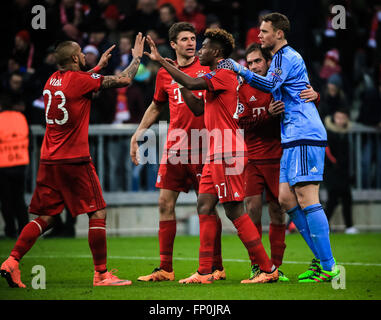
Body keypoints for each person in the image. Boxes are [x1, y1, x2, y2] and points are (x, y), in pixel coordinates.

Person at [0, 33, 145, 288]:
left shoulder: (51, 81)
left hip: (49, 159)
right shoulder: (80, 80)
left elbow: (79, 83)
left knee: (47, 217)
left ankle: (12, 261)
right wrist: (136, 58)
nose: (83, 55)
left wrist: (98, 66)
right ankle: (101, 274)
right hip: (74, 160)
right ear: (76, 57)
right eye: (81, 53)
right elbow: (124, 79)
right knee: (97, 211)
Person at [145, 28, 279, 284]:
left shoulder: (225, 74)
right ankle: (205, 271)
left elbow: (194, 83)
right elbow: (196, 107)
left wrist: (163, 63)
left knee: (234, 210)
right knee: (204, 205)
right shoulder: (214, 75)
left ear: (216, 52)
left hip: (227, 150)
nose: (199, 50)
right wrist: (179, 80)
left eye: (203, 47)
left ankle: (266, 268)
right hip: (214, 152)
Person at [226, 12, 339, 283]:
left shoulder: (286, 56)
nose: (259, 36)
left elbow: (270, 84)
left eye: (264, 31)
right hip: (291, 136)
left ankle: (328, 265)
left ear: (279, 33)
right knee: (287, 199)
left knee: (307, 198)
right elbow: (297, 88)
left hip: (302, 133)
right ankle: (322, 261)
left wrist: (238, 68)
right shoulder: (279, 59)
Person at [130, 22, 225, 282]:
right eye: (184, 39)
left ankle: (215, 266)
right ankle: (165, 268)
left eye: (193, 38)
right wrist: (138, 132)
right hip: (175, 147)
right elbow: (156, 105)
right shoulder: (164, 73)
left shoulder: (206, 68)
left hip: (204, 145)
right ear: (173, 44)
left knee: (206, 206)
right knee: (164, 203)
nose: (191, 43)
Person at [237, 43, 321, 282]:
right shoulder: (243, 88)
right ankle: (257, 265)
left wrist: (316, 96)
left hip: (279, 157)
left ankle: (276, 267)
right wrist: (267, 114)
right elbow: (240, 123)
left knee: (278, 211)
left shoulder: (280, 84)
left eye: (257, 61)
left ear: (268, 63)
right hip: (252, 158)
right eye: (249, 63)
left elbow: (303, 101)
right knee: (251, 211)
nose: (252, 66)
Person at [324, 109, 358, 234]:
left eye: (343, 118)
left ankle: (349, 226)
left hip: (344, 173)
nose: (340, 121)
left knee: (347, 199)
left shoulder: (346, 133)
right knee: (332, 200)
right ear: (334, 118)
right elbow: (328, 154)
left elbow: (350, 156)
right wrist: (335, 164)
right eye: (338, 117)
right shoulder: (328, 133)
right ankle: (324, 226)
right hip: (333, 173)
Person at [0, 94, 30, 239]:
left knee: (6, 200)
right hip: (21, 162)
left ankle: (10, 230)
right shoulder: (20, 117)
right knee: (19, 199)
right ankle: (24, 229)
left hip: (3, 164)